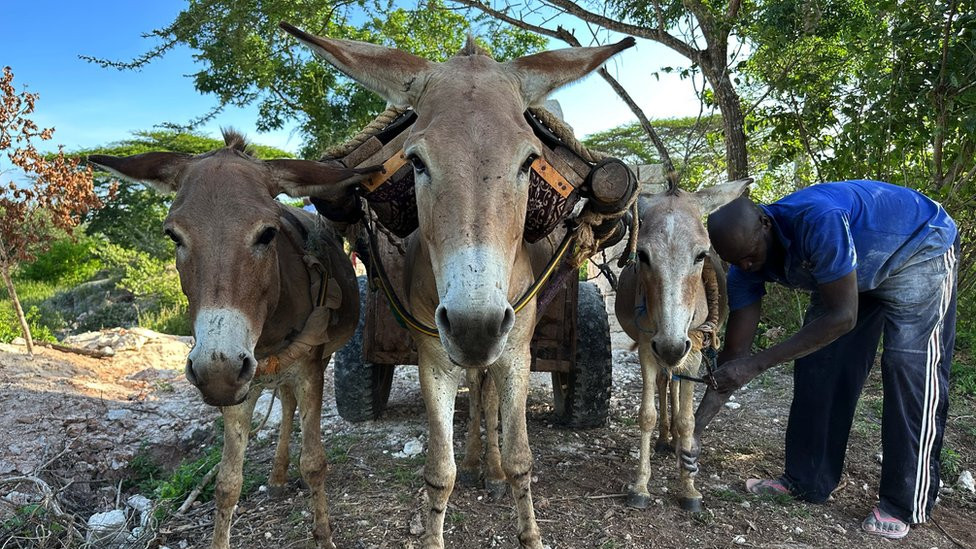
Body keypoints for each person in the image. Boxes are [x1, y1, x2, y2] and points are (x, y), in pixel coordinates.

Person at [695, 179, 958, 539]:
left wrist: (757, 365)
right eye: (735, 261)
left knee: (908, 368)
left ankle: (904, 502)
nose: (745, 263)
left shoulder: (818, 219)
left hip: (918, 251)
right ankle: (807, 480)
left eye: (751, 254)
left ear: (765, 224)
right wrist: (692, 431)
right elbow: (735, 356)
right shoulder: (743, 267)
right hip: (848, 274)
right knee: (820, 366)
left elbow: (842, 317)